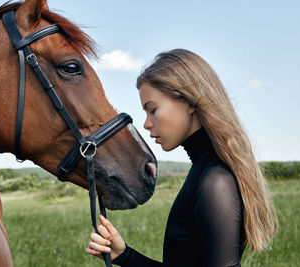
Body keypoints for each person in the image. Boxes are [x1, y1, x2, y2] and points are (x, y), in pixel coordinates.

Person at [85, 49, 277, 266]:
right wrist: (125, 256)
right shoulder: (204, 172)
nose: (147, 124)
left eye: (153, 110)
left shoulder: (215, 182)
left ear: (189, 101)